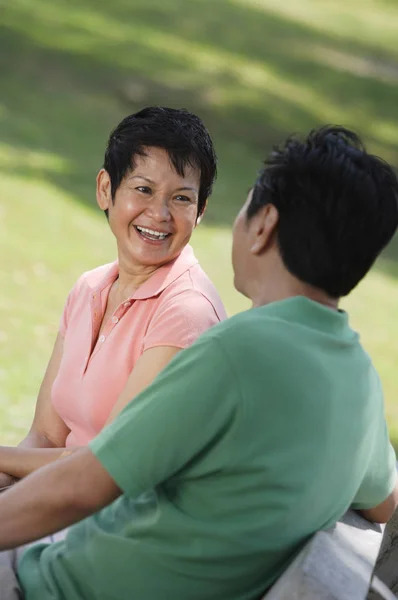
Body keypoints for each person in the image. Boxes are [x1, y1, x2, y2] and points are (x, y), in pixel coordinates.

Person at [0, 125, 397, 600]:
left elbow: (83, 486)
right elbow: (383, 503)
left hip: (58, 585)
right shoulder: (360, 380)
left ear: (264, 223)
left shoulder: (235, 353)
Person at [0, 106, 226, 489]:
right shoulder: (89, 289)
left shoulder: (187, 312)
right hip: (59, 501)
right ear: (106, 189)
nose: (159, 214)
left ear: (201, 210)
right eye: (143, 189)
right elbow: (45, 438)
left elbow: (106, 465)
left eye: (182, 199)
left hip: (122, 524)